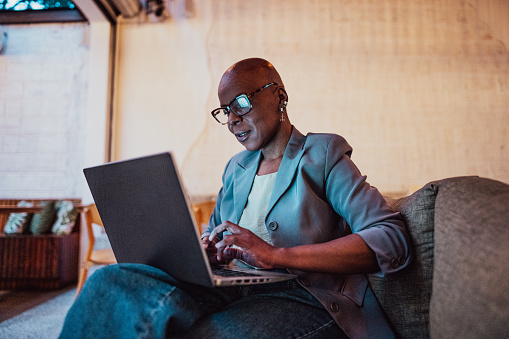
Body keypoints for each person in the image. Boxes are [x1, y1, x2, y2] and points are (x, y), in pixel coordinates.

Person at [60, 58, 413, 339]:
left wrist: (276, 255)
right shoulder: (235, 168)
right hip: (232, 287)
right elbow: (217, 231)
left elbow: (391, 241)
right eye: (224, 111)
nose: (232, 119)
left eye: (240, 103)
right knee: (109, 282)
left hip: (305, 296)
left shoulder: (323, 153)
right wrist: (208, 249)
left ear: (279, 96)